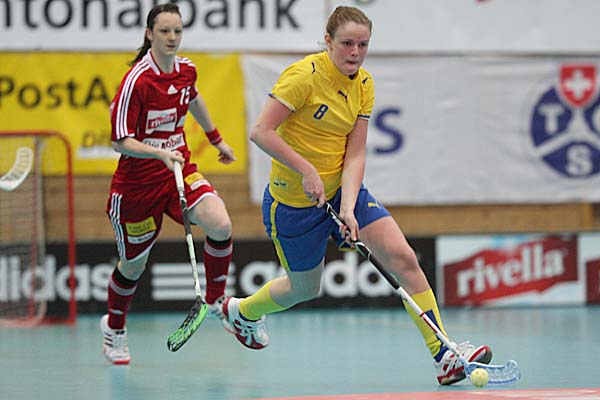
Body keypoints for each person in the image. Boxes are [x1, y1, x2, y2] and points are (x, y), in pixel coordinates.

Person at [222, 5, 491, 385]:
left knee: (403, 257)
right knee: (304, 288)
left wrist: (348, 208)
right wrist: (306, 170)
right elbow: (260, 132)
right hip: (294, 205)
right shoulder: (302, 77)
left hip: (342, 192)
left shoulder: (364, 84)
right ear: (328, 41)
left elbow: (356, 153)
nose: (355, 52)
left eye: (363, 44)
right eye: (347, 43)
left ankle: (443, 354)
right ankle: (243, 311)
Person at [101, 3, 236, 365]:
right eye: (164, 31)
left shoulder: (186, 70)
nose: (172, 37)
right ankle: (114, 327)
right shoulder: (137, 81)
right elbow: (119, 141)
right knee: (133, 266)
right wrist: (158, 153)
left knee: (220, 223)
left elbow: (193, 98)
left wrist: (217, 139)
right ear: (149, 34)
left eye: (177, 30)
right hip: (137, 185)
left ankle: (216, 301)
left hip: (179, 170)